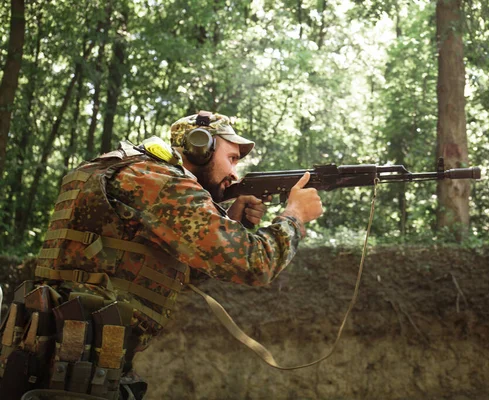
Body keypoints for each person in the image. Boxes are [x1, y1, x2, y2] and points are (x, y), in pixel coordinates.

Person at [0, 111, 323, 400]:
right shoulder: (162, 181)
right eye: (233, 158)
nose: (235, 175)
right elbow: (255, 263)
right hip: (73, 369)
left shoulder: (122, 170)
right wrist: (293, 216)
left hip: (46, 359)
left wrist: (232, 223)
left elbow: (153, 271)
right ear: (202, 147)